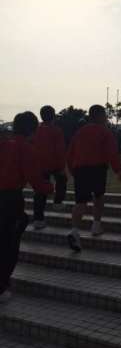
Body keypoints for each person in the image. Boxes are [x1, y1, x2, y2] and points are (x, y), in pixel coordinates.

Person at [0, 112, 53, 303]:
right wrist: (50, 188)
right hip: (10, 199)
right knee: (8, 245)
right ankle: (1, 287)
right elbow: (35, 180)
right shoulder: (25, 148)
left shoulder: (3, 143)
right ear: (33, 129)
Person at [67, 105, 121, 252]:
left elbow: (70, 153)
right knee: (98, 196)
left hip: (80, 169)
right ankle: (96, 225)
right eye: (104, 115)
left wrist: (73, 171)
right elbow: (112, 152)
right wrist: (118, 170)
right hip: (97, 168)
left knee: (80, 201)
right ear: (99, 116)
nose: (106, 118)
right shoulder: (104, 132)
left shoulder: (79, 132)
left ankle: (74, 231)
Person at [32, 105, 67, 230]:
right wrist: (62, 167)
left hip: (39, 165)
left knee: (40, 193)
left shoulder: (36, 130)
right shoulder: (56, 131)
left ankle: (38, 219)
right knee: (62, 180)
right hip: (54, 163)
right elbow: (60, 150)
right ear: (53, 116)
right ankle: (57, 202)